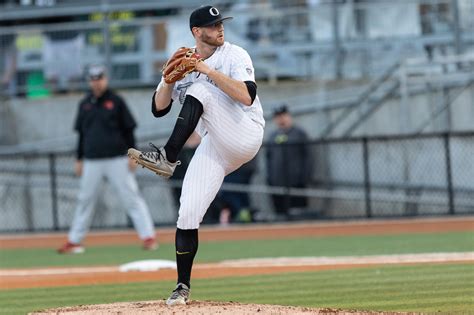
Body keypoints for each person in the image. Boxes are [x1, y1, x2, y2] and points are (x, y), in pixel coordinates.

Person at [128, 5, 264, 306]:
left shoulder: (235, 55)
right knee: (187, 211)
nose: (220, 28)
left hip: (245, 133)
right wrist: (166, 79)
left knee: (201, 90)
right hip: (215, 144)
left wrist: (207, 71)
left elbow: (247, 96)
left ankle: (166, 157)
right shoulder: (185, 60)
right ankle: (181, 287)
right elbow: (158, 108)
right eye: (213, 25)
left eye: (221, 23)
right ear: (196, 32)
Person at [57, 64, 157, 254]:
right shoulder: (85, 103)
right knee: (85, 199)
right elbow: (81, 135)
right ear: (89, 81)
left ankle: (148, 236)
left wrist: (133, 154)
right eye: (93, 79)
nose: (96, 82)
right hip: (92, 160)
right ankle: (74, 240)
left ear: (106, 79)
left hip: (117, 159)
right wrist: (79, 159)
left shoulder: (116, 101)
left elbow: (129, 130)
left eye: (100, 78)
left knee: (131, 197)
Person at [266, 105, 312, 220]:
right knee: (280, 214)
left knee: (298, 213)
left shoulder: (299, 134)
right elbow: (268, 159)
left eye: (283, 116)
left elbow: (308, 157)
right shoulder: (272, 136)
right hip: (277, 183)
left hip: (296, 182)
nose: (281, 119)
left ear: (289, 116)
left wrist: (305, 177)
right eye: (278, 117)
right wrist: (270, 178)